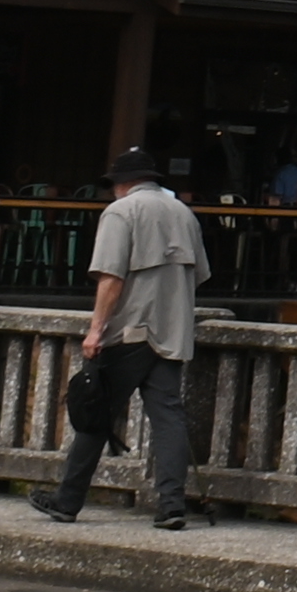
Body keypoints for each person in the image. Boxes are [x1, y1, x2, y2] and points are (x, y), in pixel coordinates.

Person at [35, 145, 208, 530]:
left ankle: (68, 500)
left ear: (122, 183)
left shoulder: (121, 212)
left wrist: (96, 329)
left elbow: (111, 277)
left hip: (130, 329)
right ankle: (172, 504)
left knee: (96, 413)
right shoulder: (184, 214)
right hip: (173, 330)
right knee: (168, 417)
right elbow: (199, 275)